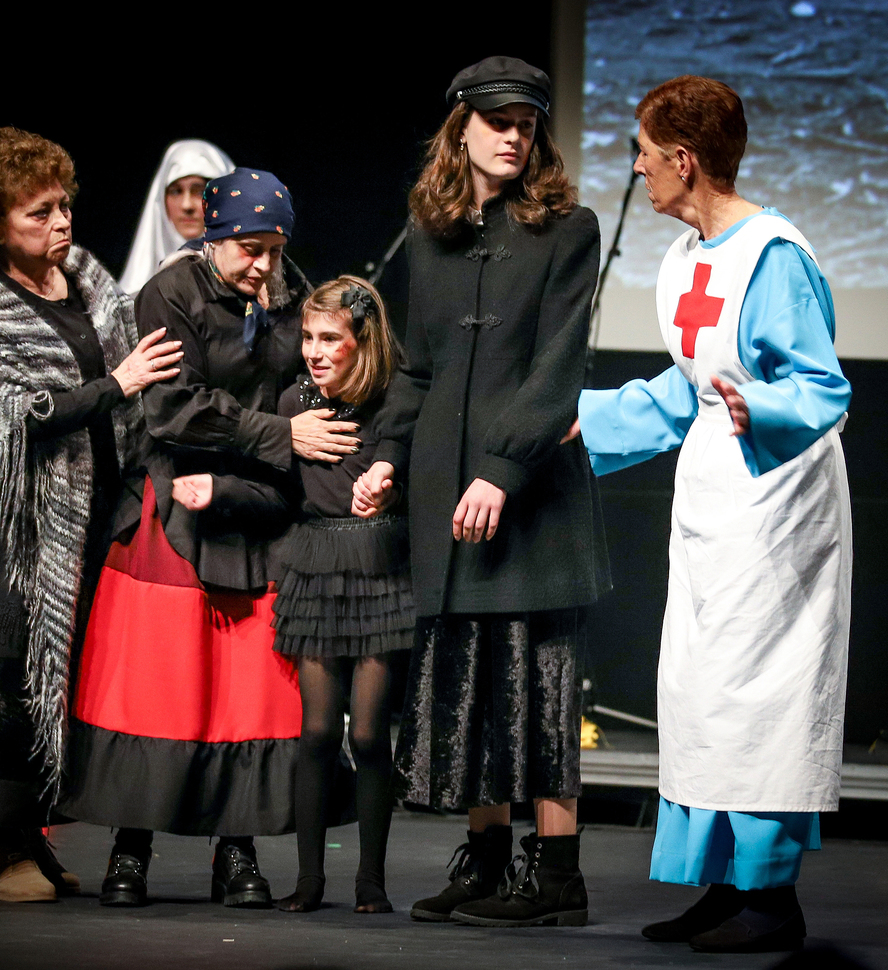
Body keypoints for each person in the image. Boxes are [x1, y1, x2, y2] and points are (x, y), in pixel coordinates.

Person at [572, 76, 852, 954]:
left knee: (757, 695)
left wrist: (754, 408)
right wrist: (588, 420)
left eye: (645, 154)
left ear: (684, 160)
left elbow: (819, 387)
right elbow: (689, 385)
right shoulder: (689, 256)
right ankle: (725, 886)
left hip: (779, 503)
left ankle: (771, 898)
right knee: (701, 690)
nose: (638, 169)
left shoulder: (772, 256)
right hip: (713, 502)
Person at [60, 168, 359, 908]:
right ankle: (131, 849)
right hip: (177, 509)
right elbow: (172, 408)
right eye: (249, 249)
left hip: (257, 512)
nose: (263, 265)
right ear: (214, 237)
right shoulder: (171, 293)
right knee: (157, 684)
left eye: (275, 249)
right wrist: (279, 433)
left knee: (242, 691)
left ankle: (237, 851)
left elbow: (311, 384)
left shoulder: (293, 293)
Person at [360, 55, 611, 927]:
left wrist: (501, 470)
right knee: (471, 681)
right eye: (497, 120)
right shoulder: (430, 232)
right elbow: (418, 368)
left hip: (531, 496)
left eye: (526, 123)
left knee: (538, 685)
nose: (513, 136)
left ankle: (558, 877)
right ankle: (488, 861)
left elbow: (560, 367)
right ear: (460, 125)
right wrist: (388, 456)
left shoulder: (568, 228)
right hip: (446, 496)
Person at [0, 127, 182, 903]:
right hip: (7, 525)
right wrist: (116, 386)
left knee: (62, 678)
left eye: (64, 205)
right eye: (39, 213)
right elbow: (12, 412)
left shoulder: (86, 277)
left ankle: (35, 837)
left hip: (84, 510)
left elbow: (135, 356)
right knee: (5, 680)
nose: (61, 222)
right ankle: (5, 852)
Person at [272, 276, 414, 915]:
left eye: (330, 338)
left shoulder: (393, 402)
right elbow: (277, 487)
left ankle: (370, 881)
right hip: (315, 566)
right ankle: (309, 880)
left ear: (364, 341)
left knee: (370, 733)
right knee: (318, 731)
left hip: (378, 566)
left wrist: (387, 489)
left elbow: (408, 469)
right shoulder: (293, 402)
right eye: (308, 336)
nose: (314, 350)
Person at [117, 139, 234, 294]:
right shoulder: (134, 299)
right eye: (176, 191)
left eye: (200, 192)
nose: (187, 205)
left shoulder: (250, 288)